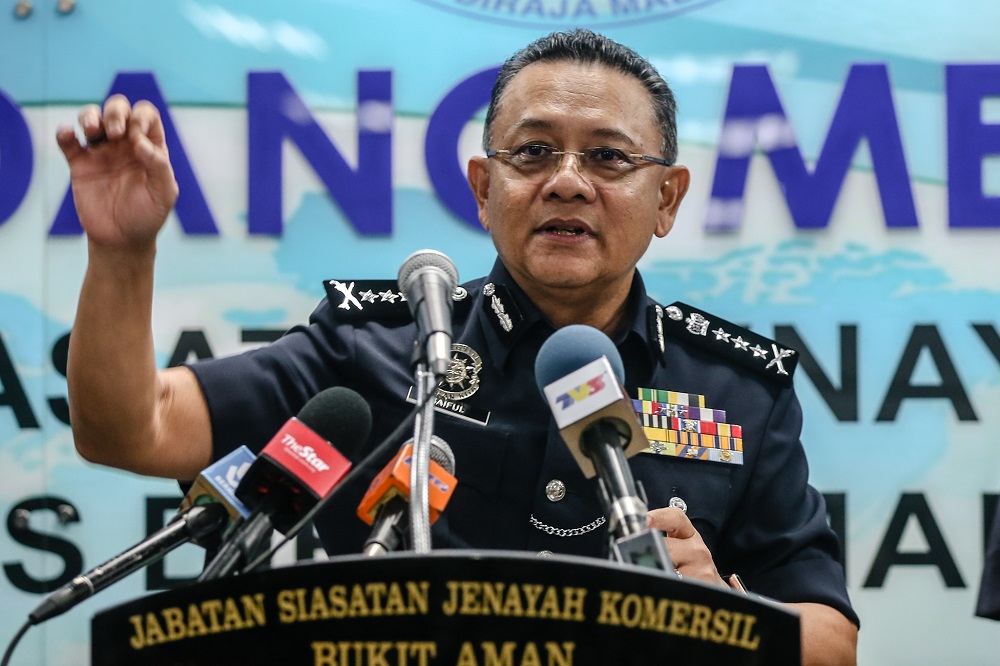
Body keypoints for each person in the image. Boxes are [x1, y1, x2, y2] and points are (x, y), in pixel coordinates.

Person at [58, 29, 858, 664]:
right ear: (484, 188)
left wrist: (725, 609)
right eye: (534, 152)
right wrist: (124, 252)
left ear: (667, 199)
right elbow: (129, 429)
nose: (568, 182)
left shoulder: (739, 389)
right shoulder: (376, 349)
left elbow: (832, 641)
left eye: (609, 157)